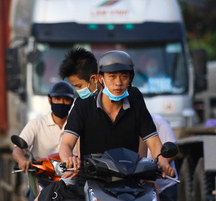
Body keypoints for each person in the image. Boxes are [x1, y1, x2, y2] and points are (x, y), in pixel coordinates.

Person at [58, 50, 174, 178]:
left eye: (124, 76)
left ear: (130, 79)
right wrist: (68, 159)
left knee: (157, 197)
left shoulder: (138, 107)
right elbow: (67, 143)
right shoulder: (82, 106)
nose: (118, 83)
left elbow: (154, 144)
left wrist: (161, 160)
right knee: (50, 196)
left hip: (130, 181)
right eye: (112, 76)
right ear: (100, 78)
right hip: (92, 180)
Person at [12, 80, 76, 173]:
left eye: (66, 99)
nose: (61, 102)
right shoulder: (36, 124)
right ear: (50, 100)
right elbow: (17, 149)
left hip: (71, 178)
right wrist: (22, 160)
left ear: (72, 102)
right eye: (57, 99)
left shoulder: (77, 125)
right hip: (42, 176)